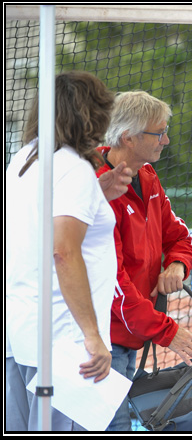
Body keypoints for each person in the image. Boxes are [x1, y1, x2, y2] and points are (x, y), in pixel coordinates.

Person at [6, 71, 132, 431]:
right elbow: (63, 250)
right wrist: (91, 335)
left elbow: (43, 225)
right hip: (64, 341)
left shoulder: (24, 159)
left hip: (23, 331)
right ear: (91, 115)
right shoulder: (73, 169)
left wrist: (96, 193)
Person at [97, 91, 192, 431]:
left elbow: (179, 236)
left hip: (131, 336)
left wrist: (177, 265)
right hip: (101, 342)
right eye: (159, 133)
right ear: (128, 137)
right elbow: (113, 282)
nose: (166, 140)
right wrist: (167, 332)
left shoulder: (147, 176)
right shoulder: (100, 189)